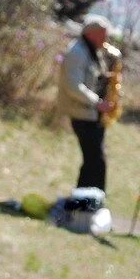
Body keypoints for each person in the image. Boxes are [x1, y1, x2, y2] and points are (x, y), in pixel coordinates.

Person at [57, 15, 122, 194]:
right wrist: (98, 103)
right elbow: (73, 86)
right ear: (92, 34)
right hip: (82, 113)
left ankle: (84, 201)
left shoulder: (92, 51)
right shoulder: (77, 52)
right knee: (96, 161)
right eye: (104, 35)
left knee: (93, 161)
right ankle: (89, 201)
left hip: (91, 114)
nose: (106, 40)